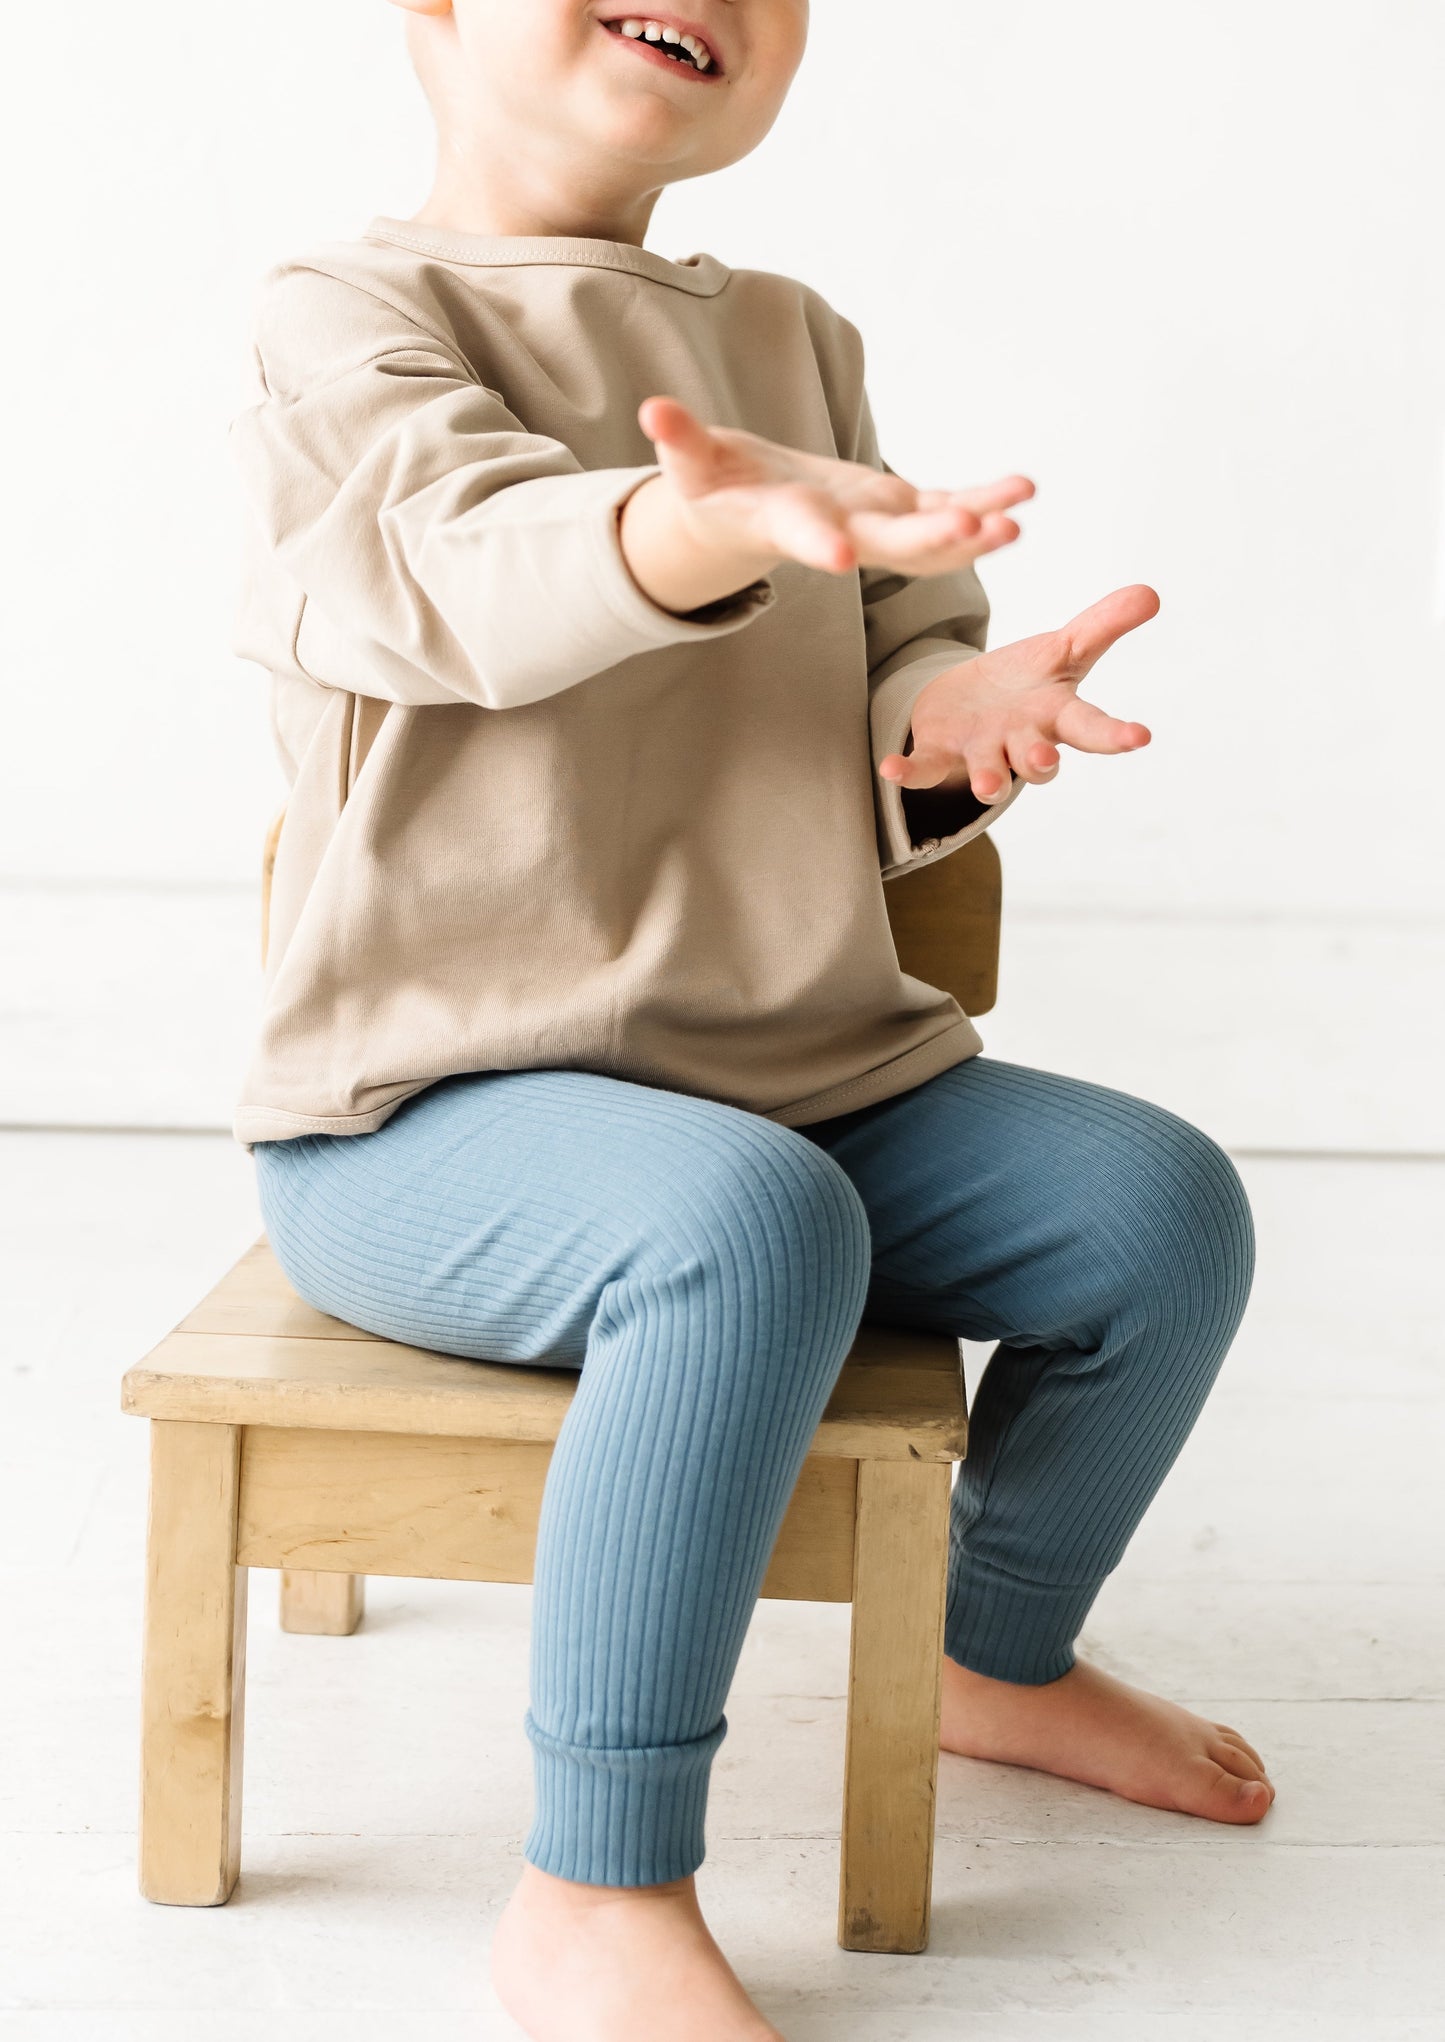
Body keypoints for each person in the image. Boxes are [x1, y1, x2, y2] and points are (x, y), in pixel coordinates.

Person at [232, 4, 1273, 2035]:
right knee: (745, 1219)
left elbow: (887, 675)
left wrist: (948, 726)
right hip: (425, 1114)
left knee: (1159, 1206)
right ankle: (594, 1886)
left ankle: (994, 1653)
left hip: (797, 1059)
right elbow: (450, 574)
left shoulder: (792, 338)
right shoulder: (345, 313)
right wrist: (688, 526)